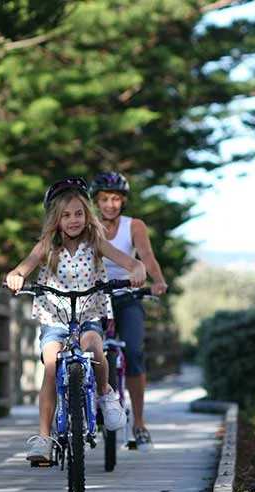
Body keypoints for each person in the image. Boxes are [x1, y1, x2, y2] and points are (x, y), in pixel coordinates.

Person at [5, 177, 146, 463]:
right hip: (55, 318)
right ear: (55, 219)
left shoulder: (96, 242)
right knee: (51, 364)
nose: (73, 220)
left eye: (79, 214)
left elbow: (131, 262)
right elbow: (22, 268)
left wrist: (137, 269)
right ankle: (44, 437)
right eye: (66, 215)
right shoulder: (47, 245)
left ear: (87, 215)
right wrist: (16, 276)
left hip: (88, 314)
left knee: (94, 348)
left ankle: (105, 394)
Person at [91, 171, 168, 450]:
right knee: (87, 351)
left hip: (127, 296)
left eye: (115, 199)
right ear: (96, 201)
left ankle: (140, 423)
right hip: (95, 297)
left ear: (123, 200)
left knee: (134, 352)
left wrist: (157, 281)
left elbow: (146, 255)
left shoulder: (133, 225)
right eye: (104, 199)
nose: (110, 205)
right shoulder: (88, 225)